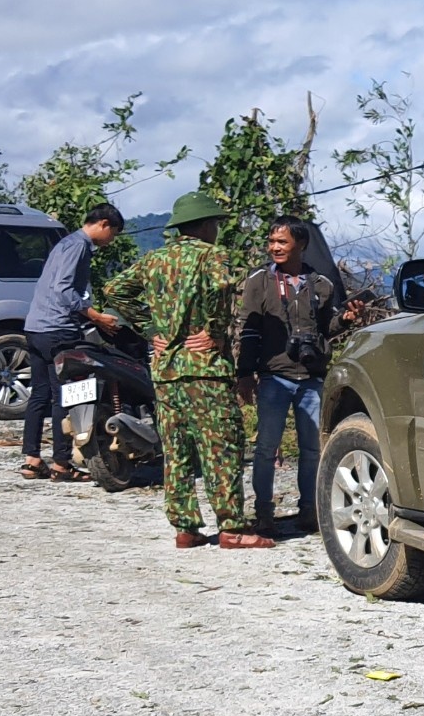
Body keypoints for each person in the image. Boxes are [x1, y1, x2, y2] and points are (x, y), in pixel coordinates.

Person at [95, 191, 272, 550]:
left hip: (165, 371)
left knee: (177, 450)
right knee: (221, 448)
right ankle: (232, 527)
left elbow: (114, 289)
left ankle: (185, 527)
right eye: (216, 224)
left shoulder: (155, 259)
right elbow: (222, 286)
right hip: (205, 369)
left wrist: (152, 329)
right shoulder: (213, 255)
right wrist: (214, 331)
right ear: (207, 225)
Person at [233, 218, 351, 530]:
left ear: (300, 244)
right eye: (272, 241)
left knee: (312, 449)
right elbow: (248, 330)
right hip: (273, 377)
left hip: (311, 379)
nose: (274, 248)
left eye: (282, 242)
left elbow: (328, 329)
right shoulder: (259, 280)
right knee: (265, 449)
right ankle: (263, 512)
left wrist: (347, 319)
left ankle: (309, 510)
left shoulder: (321, 284)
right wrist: (245, 374)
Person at [20, 203, 126, 481]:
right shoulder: (78, 246)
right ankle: (62, 463)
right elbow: (63, 289)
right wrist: (95, 316)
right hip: (57, 329)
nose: (111, 240)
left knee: (39, 394)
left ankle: (31, 460)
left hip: (36, 327)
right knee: (63, 398)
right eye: (113, 233)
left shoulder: (64, 244)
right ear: (103, 224)